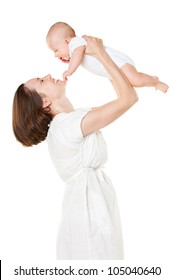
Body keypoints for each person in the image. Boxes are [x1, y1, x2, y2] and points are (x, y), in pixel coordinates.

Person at [12, 36, 138, 260]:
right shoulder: (68, 126)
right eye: (42, 81)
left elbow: (123, 94)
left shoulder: (70, 122)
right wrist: (100, 54)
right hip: (89, 209)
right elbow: (128, 98)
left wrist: (100, 60)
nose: (49, 76)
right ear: (45, 102)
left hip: (89, 203)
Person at [46, 22, 169, 93]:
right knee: (128, 86)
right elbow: (80, 56)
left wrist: (70, 70)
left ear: (67, 41)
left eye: (56, 50)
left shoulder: (75, 42)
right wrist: (69, 60)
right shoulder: (76, 48)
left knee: (136, 80)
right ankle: (151, 80)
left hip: (118, 63)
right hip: (113, 69)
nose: (55, 54)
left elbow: (78, 54)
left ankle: (155, 81)